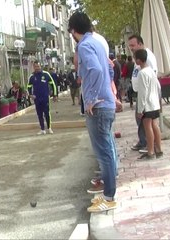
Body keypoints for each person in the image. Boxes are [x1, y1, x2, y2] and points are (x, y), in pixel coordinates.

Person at [69, 11, 117, 212]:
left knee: (103, 153)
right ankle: (108, 194)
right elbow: (110, 67)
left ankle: (108, 196)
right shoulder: (97, 43)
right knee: (107, 150)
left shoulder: (84, 46)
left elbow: (96, 70)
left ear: (73, 31)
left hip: (98, 106)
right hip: (106, 103)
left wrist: (91, 98)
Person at [128, 34, 158, 152]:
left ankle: (149, 145)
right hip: (141, 93)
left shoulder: (148, 58)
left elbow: (152, 78)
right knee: (141, 121)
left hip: (146, 96)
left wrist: (144, 103)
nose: (131, 48)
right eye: (129, 45)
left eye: (133, 45)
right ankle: (144, 142)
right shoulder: (138, 57)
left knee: (147, 123)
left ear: (140, 44)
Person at [134, 49, 163, 159]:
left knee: (148, 127)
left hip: (147, 105)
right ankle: (159, 149)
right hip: (154, 103)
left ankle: (150, 151)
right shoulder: (151, 71)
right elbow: (158, 87)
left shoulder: (142, 73)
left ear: (138, 60)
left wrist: (140, 109)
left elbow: (142, 92)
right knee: (155, 125)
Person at [27, 61, 57, 135]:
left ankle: (49, 128)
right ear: (33, 67)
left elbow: (52, 84)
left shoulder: (46, 74)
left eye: (38, 66)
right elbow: (29, 86)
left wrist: (54, 94)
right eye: (35, 66)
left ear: (41, 66)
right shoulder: (32, 76)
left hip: (45, 97)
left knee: (47, 112)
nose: (37, 68)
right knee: (39, 114)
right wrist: (30, 94)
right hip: (37, 98)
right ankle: (42, 129)